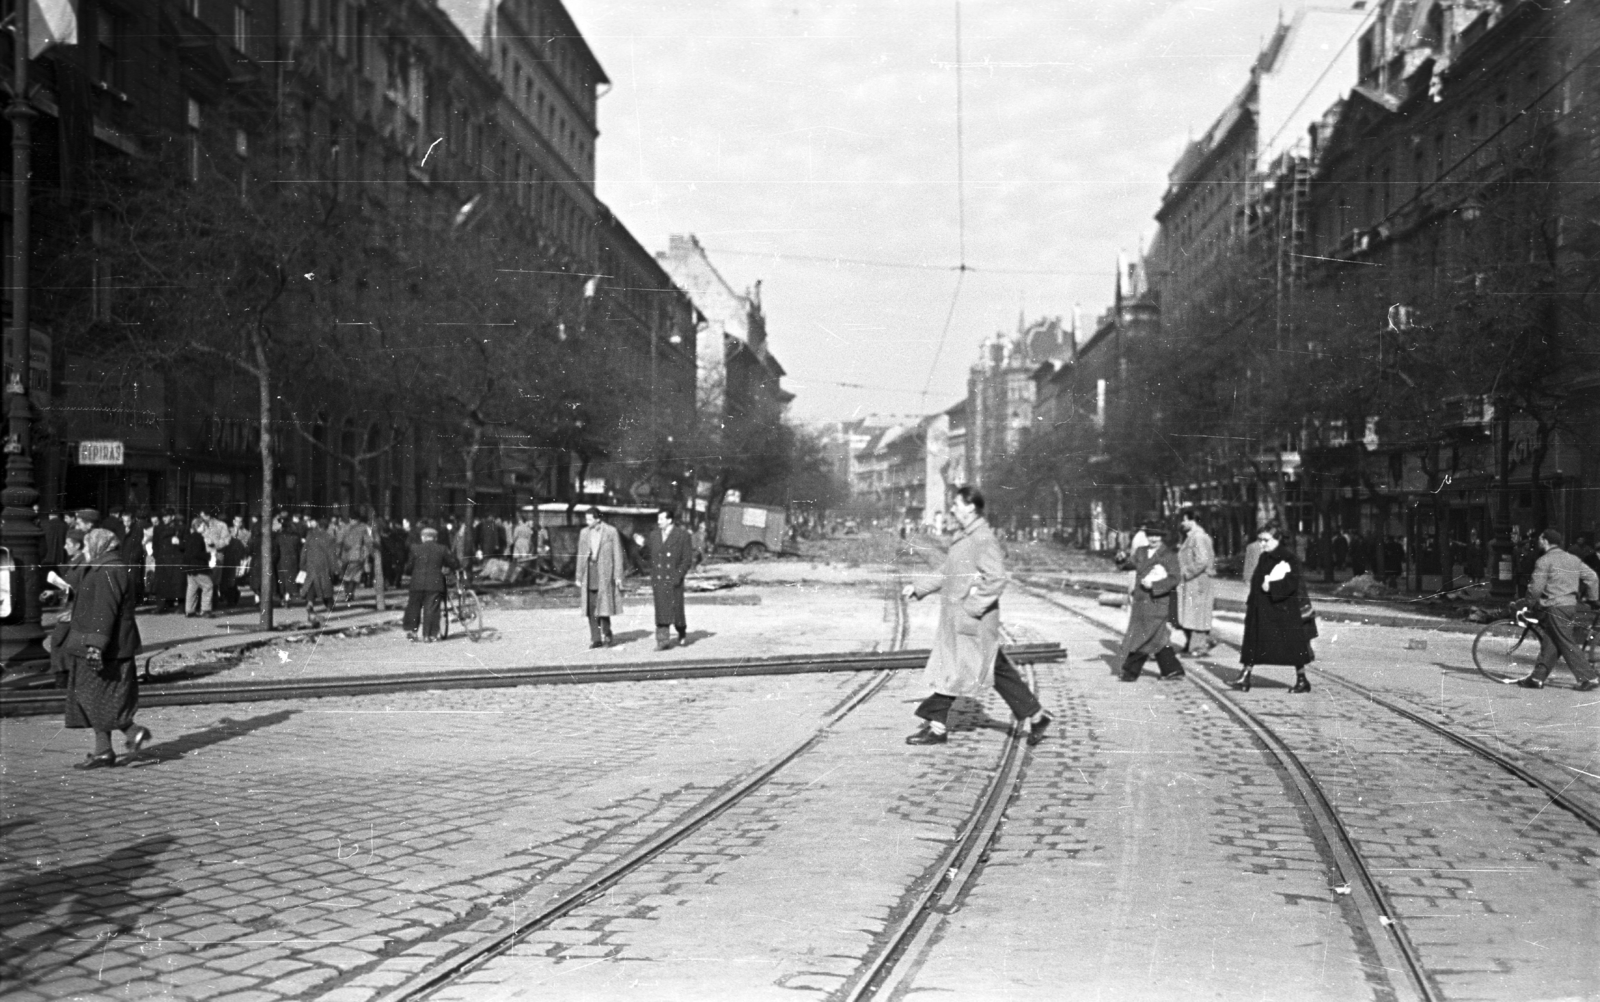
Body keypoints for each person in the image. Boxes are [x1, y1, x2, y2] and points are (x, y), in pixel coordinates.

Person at [902, 487, 1051, 746]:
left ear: (971, 507)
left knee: (956, 670)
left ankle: (936, 727)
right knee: (993, 668)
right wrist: (919, 587)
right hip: (962, 619)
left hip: (973, 620)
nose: (952, 509)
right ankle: (1037, 716)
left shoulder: (982, 538)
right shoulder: (965, 536)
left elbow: (997, 579)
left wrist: (972, 607)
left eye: (956, 504)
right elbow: (948, 570)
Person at [61, 528, 151, 769]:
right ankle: (104, 751)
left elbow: (105, 610)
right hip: (109, 645)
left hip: (105, 647)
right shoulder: (107, 567)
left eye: (88, 545)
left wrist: (96, 646)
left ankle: (132, 732)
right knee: (99, 696)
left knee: (93, 695)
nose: (86, 550)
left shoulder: (108, 570)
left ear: (98, 545)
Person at [1513, 528, 1600, 691]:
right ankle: (1537, 678)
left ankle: (1588, 678)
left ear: (1545, 541)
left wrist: (1528, 603)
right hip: (1569, 606)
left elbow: (1536, 588)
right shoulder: (1573, 559)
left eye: (1540, 538)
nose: (1538, 541)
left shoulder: (1544, 561)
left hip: (1554, 606)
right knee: (1552, 641)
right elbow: (1592, 577)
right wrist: (1593, 599)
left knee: (1565, 641)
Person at [1235, 523, 1315, 693]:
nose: (1262, 544)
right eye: (1260, 540)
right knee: (1253, 643)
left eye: (1266, 540)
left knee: (1293, 647)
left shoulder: (1289, 558)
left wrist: (1271, 587)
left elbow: (1292, 583)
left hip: (1282, 610)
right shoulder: (1265, 556)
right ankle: (1245, 675)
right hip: (1262, 609)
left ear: (1277, 539)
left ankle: (1302, 679)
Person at [1117, 527, 1185, 682]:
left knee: (1142, 635)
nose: (1153, 539)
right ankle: (1172, 670)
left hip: (1157, 601)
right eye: (1150, 536)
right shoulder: (1141, 551)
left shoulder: (1169, 555)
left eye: (1157, 536)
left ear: (1162, 537)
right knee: (1158, 637)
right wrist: (1121, 560)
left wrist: (1155, 586)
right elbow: (1130, 565)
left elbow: (1175, 578)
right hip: (1141, 600)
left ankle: (1131, 671)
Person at [646, 505, 696, 650]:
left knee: (677, 612)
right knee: (661, 611)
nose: (658, 522)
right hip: (659, 579)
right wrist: (641, 546)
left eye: (661, 519)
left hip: (673, 579)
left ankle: (681, 631)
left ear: (670, 520)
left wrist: (678, 576)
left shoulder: (682, 535)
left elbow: (686, 560)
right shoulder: (654, 535)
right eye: (658, 519)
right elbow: (648, 555)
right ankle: (663, 641)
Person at [575, 507, 625, 648]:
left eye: (590, 519)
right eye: (586, 519)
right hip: (590, 573)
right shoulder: (584, 533)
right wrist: (578, 576)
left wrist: (618, 576)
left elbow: (617, 554)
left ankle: (607, 635)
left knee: (604, 606)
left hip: (605, 574)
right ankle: (596, 639)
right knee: (591, 608)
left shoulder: (611, 531)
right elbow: (580, 555)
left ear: (598, 519)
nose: (587, 522)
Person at [401, 527, 459, 642]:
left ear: (423, 537)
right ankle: (429, 635)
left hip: (417, 583)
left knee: (414, 607)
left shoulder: (415, 548)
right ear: (435, 538)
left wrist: (409, 571)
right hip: (434, 583)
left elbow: (408, 568)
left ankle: (412, 632)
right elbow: (453, 563)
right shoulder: (442, 548)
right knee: (432, 608)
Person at [46, 529, 88, 689]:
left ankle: (63, 682)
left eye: (68, 543)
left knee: (59, 643)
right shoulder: (75, 563)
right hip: (69, 610)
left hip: (72, 612)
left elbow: (80, 590)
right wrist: (55, 593)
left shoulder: (82, 565)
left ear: (77, 545)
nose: (64, 547)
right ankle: (65, 680)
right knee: (61, 645)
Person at [1175, 508, 1217, 657]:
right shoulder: (1192, 536)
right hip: (1193, 581)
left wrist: (1186, 572)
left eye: (1184, 520)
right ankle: (1193, 644)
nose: (1182, 523)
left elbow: (1202, 560)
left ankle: (1199, 646)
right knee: (1191, 614)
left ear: (1191, 520)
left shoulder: (1198, 537)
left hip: (1197, 581)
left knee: (1197, 614)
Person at [300, 516, 341, 623]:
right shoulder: (329, 538)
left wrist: (302, 564)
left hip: (311, 564)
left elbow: (304, 551)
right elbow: (332, 555)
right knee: (326, 586)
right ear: (327, 527)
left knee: (311, 584)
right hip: (324, 565)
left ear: (318, 526)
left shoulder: (310, 536)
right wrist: (335, 568)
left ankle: (310, 603)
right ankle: (329, 605)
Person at [182, 516, 215, 617]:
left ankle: (189, 610)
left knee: (192, 588)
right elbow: (197, 553)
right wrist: (208, 555)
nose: (205, 528)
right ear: (198, 526)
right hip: (198, 567)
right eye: (203, 526)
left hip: (189, 567)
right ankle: (206, 610)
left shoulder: (190, 537)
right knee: (208, 585)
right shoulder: (198, 537)